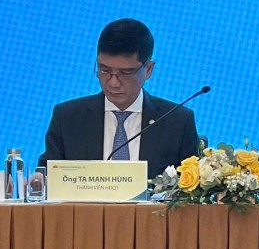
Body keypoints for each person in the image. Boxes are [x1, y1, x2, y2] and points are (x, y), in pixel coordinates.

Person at [38, 19, 199, 179]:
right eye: (104, 70)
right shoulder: (68, 118)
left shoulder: (177, 122)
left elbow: (191, 189)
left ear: (148, 69)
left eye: (126, 73)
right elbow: (47, 174)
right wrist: (37, 181)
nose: (113, 83)